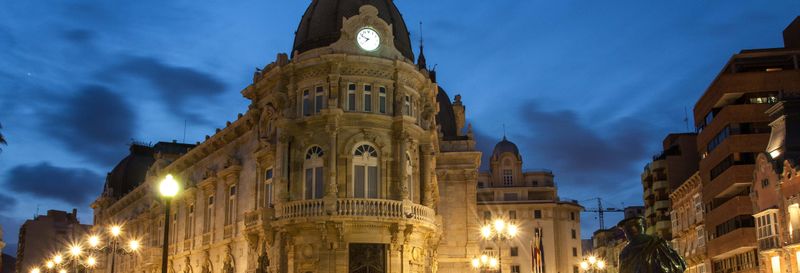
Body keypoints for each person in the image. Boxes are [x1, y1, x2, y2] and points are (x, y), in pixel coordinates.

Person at [618, 217, 686, 273]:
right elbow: (679, 263)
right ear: (642, 228)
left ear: (628, 233)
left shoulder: (625, 252)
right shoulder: (659, 243)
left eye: (625, 232)